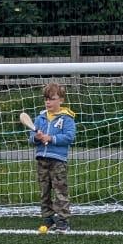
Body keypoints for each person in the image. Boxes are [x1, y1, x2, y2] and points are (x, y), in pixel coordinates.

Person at [31, 83, 77, 232]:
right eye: (46, 99)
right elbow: (31, 138)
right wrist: (37, 138)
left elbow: (69, 137)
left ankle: (63, 220)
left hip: (58, 161)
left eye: (52, 99)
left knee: (60, 190)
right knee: (44, 191)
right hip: (42, 160)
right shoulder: (40, 118)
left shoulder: (67, 118)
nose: (48, 102)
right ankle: (47, 219)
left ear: (61, 100)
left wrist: (51, 138)